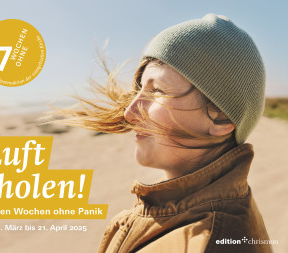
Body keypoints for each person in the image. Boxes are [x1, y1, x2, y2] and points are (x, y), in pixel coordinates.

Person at [55, 14, 272, 253]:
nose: (130, 112)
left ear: (220, 115)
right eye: (140, 89)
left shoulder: (205, 241)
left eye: (157, 91)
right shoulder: (188, 214)